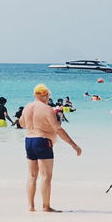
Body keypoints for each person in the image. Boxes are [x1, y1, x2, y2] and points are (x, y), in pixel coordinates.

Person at [19, 83, 82, 212]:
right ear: (46, 95)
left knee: (32, 176)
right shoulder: (46, 109)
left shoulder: (27, 107)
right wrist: (73, 145)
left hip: (29, 140)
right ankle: (46, 206)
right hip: (42, 141)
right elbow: (57, 129)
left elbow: (22, 123)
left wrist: (35, 123)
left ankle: (31, 206)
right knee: (46, 176)